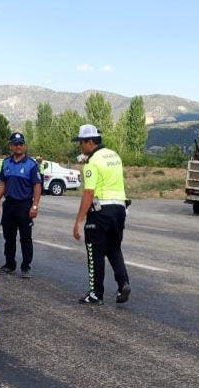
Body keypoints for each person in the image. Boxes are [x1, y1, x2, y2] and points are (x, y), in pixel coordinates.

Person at [71, 124, 131, 305]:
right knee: (114, 248)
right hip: (120, 209)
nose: (80, 146)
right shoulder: (114, 155)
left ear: (89, 142)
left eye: (81, 143)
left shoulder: (93, 162)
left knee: (94, 252)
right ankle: (123, 283)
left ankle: (96, 293)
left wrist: (78, 221)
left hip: (100, 210)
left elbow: (89, 192)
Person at [0, 132, 42, 278]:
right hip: (9, 205)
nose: (18, 146)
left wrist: (35, 206)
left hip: (24, 205)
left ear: (24, 146)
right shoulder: (6, 163)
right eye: (15, 144)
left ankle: (26, 267)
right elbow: (2, 183)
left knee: (25, 238)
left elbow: (37, 186)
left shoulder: (31, 164)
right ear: (11, 146)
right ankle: (9, 264)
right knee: (9, 237)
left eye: (21, 144)